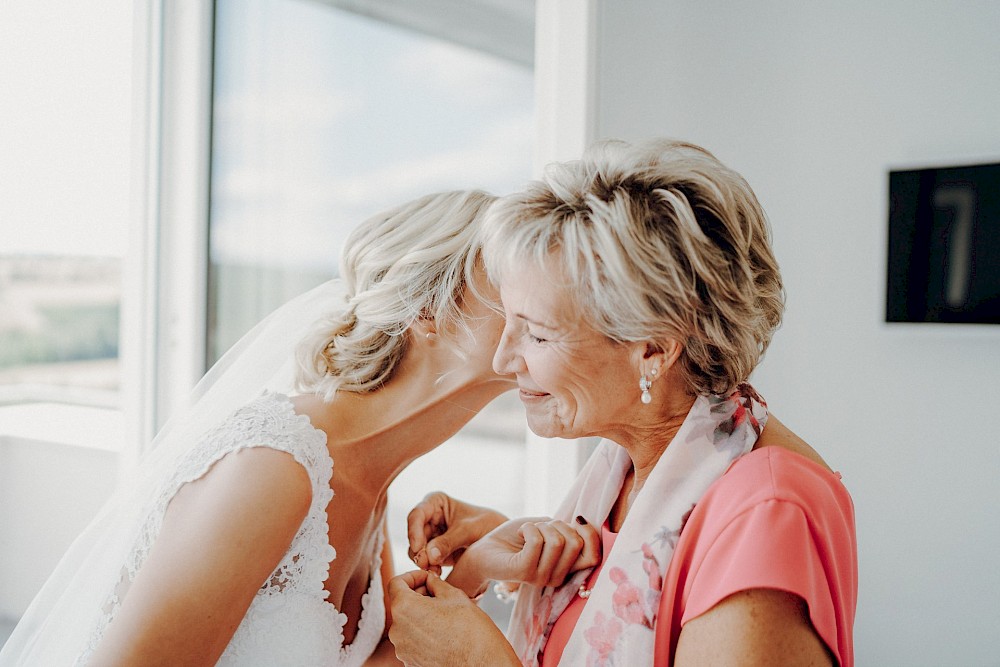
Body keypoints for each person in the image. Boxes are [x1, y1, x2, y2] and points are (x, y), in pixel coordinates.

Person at [388, 139, 858, 666]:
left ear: (653, 350)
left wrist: (474, 661)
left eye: (537, 336)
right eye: (509, 323)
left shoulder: (768, 515)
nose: (503, 360)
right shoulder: (626, 471)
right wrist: (501, 550)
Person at [0, 190, 521, 666]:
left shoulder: (373, 472)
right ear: (430, 309)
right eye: (513, 282)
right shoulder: (272, 468)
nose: (540, 302)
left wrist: (471, 574)